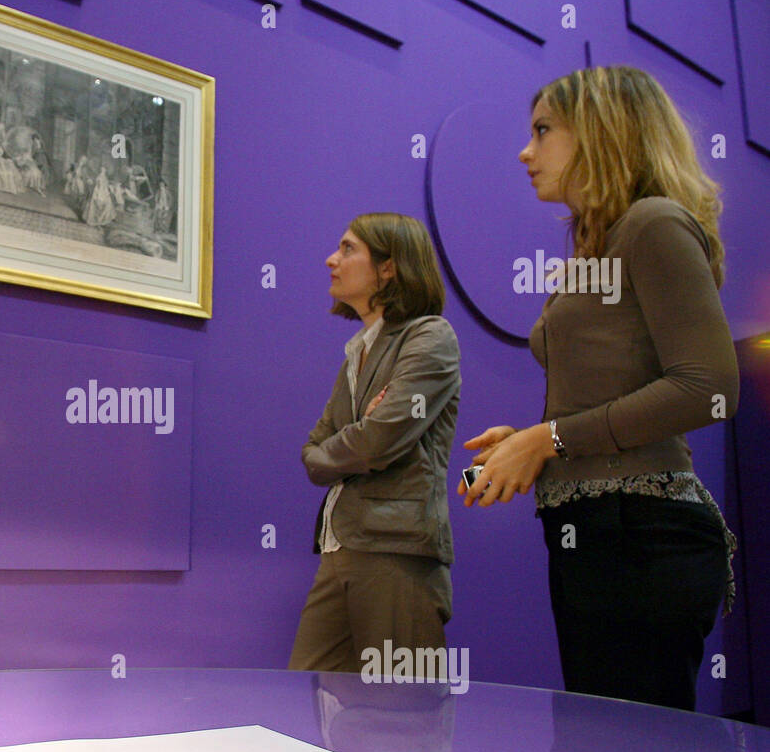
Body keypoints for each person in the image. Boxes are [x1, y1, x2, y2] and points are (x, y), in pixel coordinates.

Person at [459, 65, 739, 711]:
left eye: (543, 130)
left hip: (641, 534)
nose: (525, 152)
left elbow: (710, 385)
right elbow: (616, 392)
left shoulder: (653, 223)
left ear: (603, 132)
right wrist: (534, 441)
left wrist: (551, 437)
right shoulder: (603, 245)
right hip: (599, 530)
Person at [290, 213, 461, 678]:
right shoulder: (357, 349)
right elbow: (313, 452)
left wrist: (362, 437)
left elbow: (377, 441)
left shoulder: (430, 337)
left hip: (396, 554)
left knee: (402, 722)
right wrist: (361, 434)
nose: (332, 259)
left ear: (388, 268)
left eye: (348, 249)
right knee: (304, 702)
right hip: (340, 547)